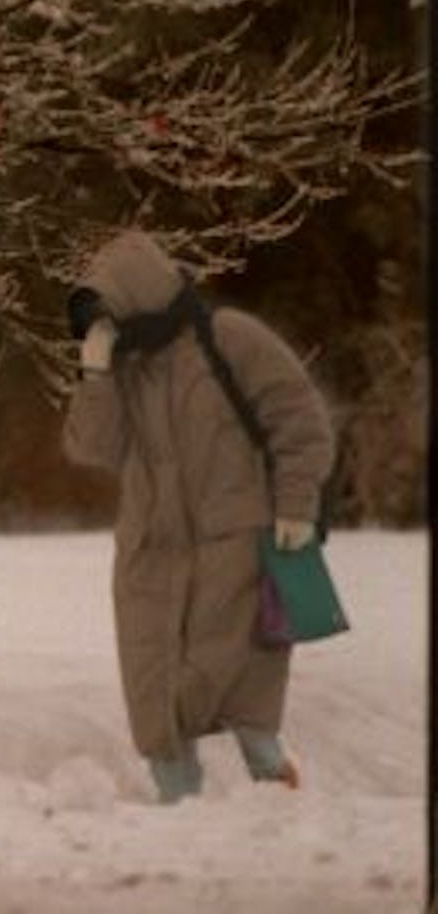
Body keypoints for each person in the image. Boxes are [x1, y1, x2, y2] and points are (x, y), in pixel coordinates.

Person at [61, 229, 335, 804]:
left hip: (235, 549)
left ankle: (276, 793)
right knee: (155, 689)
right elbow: (92, 449)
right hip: (150, 555)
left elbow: (300, 423)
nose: (105, 322)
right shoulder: (124, 369)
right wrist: (95, 373)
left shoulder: (230, 339)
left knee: (239, 685)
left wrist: (296, 506)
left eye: (109, 307)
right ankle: (178, 813)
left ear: (140, 293)